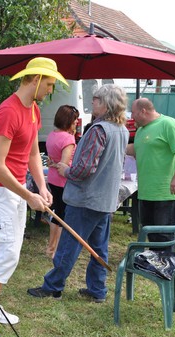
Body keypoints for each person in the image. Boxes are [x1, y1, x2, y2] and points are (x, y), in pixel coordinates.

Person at [0, 57, 67, 325]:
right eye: (49, 84)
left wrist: (41, 186)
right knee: (7, 253)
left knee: (11, 252)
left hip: (18, 190)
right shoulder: (8, 112)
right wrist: (28, 195)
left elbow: (32, 153)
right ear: (36, 79)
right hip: (0, 191)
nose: (50, 90)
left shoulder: (33, 110)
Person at [28, 84, 129, 302]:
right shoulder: (122, 129)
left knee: (69, 245)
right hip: (105, 200)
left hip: (86, 199)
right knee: (99, 248)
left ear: (105, 104)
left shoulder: (99, 130)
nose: (92, 102)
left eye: (95, 99)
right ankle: (97, 290)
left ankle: (53, 286)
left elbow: (84, 169)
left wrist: (66, 170)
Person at [127, 98, 175, 245]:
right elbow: (136, 149)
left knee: (164, 236)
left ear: (143, 111)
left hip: (165, 192)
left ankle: (165, 259)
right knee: (150, 232)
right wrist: (114, 146)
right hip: (146, 191)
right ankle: (155, 258)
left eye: (133, 112)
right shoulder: (141, 130)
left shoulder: (169, 124)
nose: (132, 116)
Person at [44, 105, 78, 259]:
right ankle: (55, 249)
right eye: (74, 120)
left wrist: (53, 164)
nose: (76, 122)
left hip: (52, 178)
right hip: (64, 181)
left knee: (56, 212)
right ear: (68, 121)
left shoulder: (52, 134)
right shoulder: (68, 139)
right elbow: (64, 166)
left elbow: (53, 161)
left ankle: (51, 247)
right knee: (63, 215)